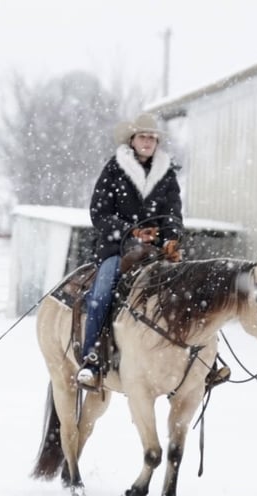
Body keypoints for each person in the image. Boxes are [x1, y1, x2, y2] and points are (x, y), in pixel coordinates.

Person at [77, 113, 184, 392]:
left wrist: (171, 238)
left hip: (157, 252)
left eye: (152, 137)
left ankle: (195, 363)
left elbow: (173, 213)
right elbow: (99, 213)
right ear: (132, 140)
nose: (147, 142)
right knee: (101, 296)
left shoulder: (167, 173)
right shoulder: (113, 169)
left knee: (187, 293)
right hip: (117, 248)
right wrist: (131, 231)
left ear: (156, 142)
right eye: (143, 137)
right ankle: (91, 359)